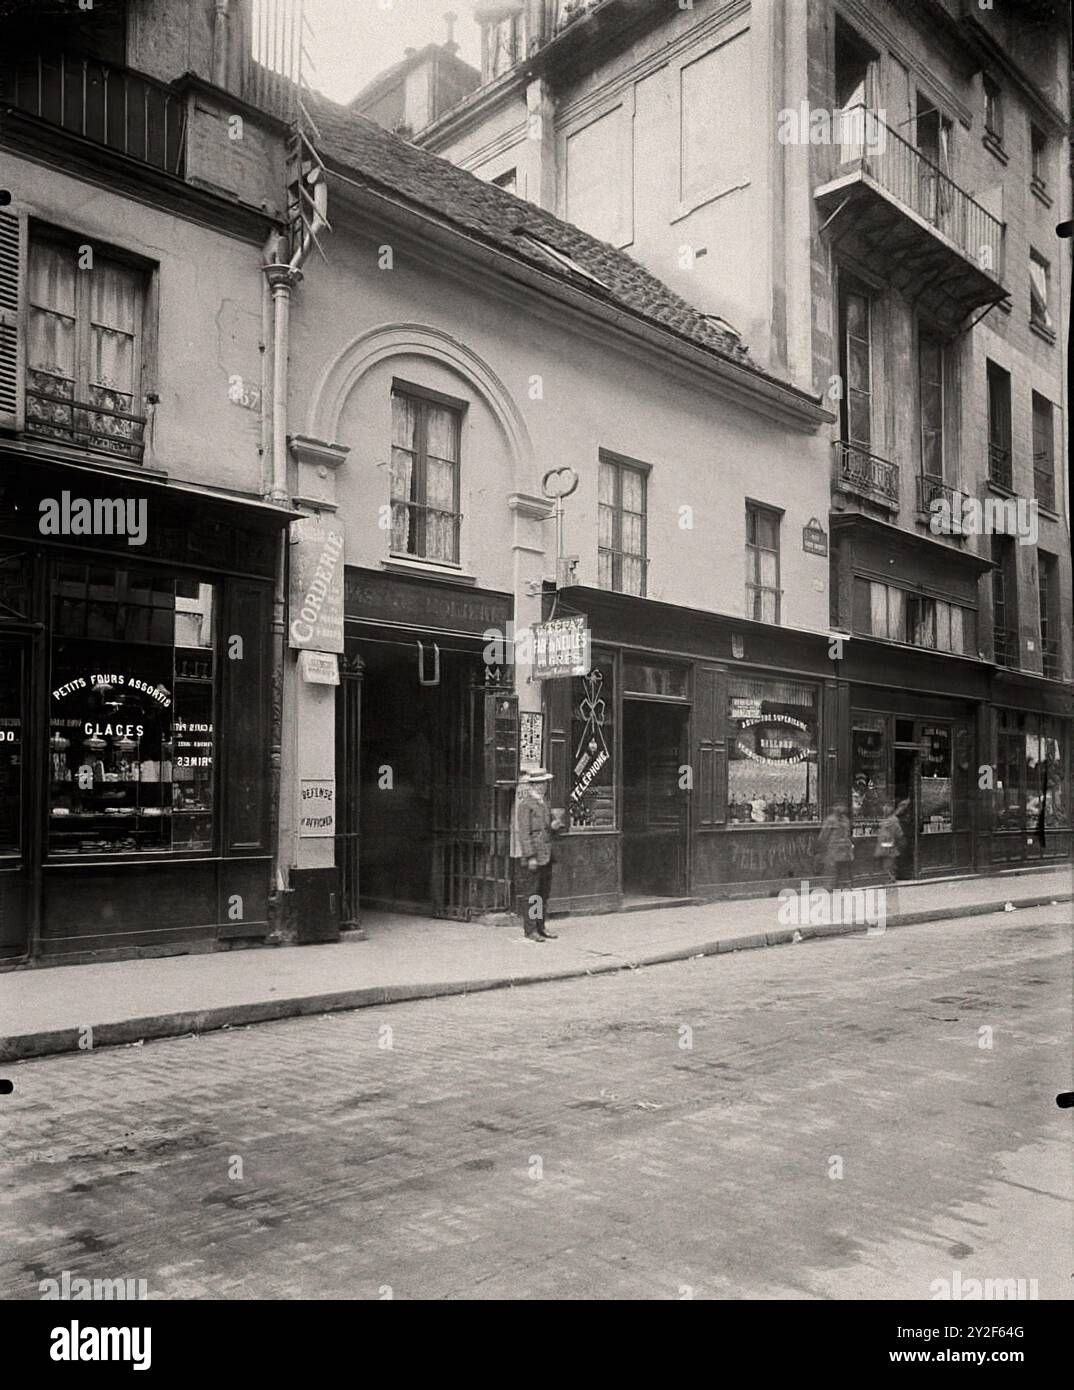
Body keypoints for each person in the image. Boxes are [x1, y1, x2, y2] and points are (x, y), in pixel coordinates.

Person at [512, 768, 558, 941]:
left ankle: (541, 926)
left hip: (546, 854)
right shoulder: (526, 805)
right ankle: (530, 930)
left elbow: (546, 829)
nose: (544, 786)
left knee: (542, 893)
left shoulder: (544, 802)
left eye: (545, 783)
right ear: (534, 785)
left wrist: (553, 826)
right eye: (540, 783)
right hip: (535, 856)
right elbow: (524, 833)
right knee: (532, 894)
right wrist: (530, 856)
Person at [874, 800, 906, 916]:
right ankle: (888, 906)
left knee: (889, 878)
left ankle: (891, 907)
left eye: (887, 807)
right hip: (882, 852)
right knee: (885, 878)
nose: (884, 809)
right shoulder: (887, 820)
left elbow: (899, 836)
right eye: (884, 807)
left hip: (889, 852)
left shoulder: (892, 821)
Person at [817, 802, 853, 890]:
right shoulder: (830, 820)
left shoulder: (846, 820)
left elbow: (848, 833)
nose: (841, 808)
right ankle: (832, 888)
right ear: (834, 807)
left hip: (844, 849)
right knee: (833, 869)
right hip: (834, 849)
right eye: (839, 806)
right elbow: (823, 835)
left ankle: (844, 886)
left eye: (843, 806)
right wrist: (821, 848)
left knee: (844, 869)